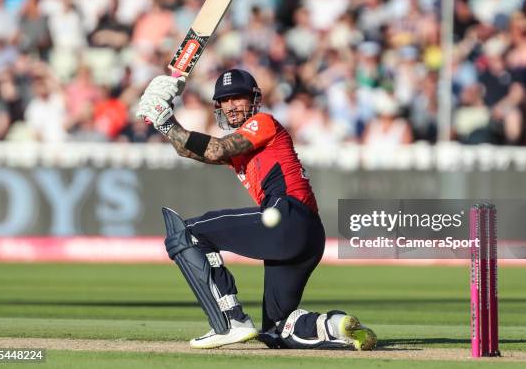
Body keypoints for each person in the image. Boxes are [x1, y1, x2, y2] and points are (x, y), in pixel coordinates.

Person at [136, 69, 377, 351]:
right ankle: (335, 326)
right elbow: (190, 150)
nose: (230, 105)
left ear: (254, 99)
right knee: (277, 330)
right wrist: (164, 124)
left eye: (237, 98)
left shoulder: (263, 123)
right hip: (308, 234)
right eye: (224, 101)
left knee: (188, 234)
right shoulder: (241, 146)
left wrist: (166, 119)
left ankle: (230, 322)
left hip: (287, 216)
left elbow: (214, 149)